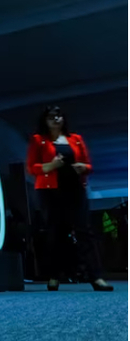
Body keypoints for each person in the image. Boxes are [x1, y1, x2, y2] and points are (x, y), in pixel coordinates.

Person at [26, 106, 113, 291]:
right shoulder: (38, 140)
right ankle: (54, 276)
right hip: (50, 191)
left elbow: (89, 165)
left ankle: (96, 277)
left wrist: (84, 167)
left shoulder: (76, 139)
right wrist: (51, 165)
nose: (56, 119)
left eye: (58, 116)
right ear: (45, 120)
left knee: (85, 232)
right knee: (54, 233)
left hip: (75, 190)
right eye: (51, 116)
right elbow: (31, 167)